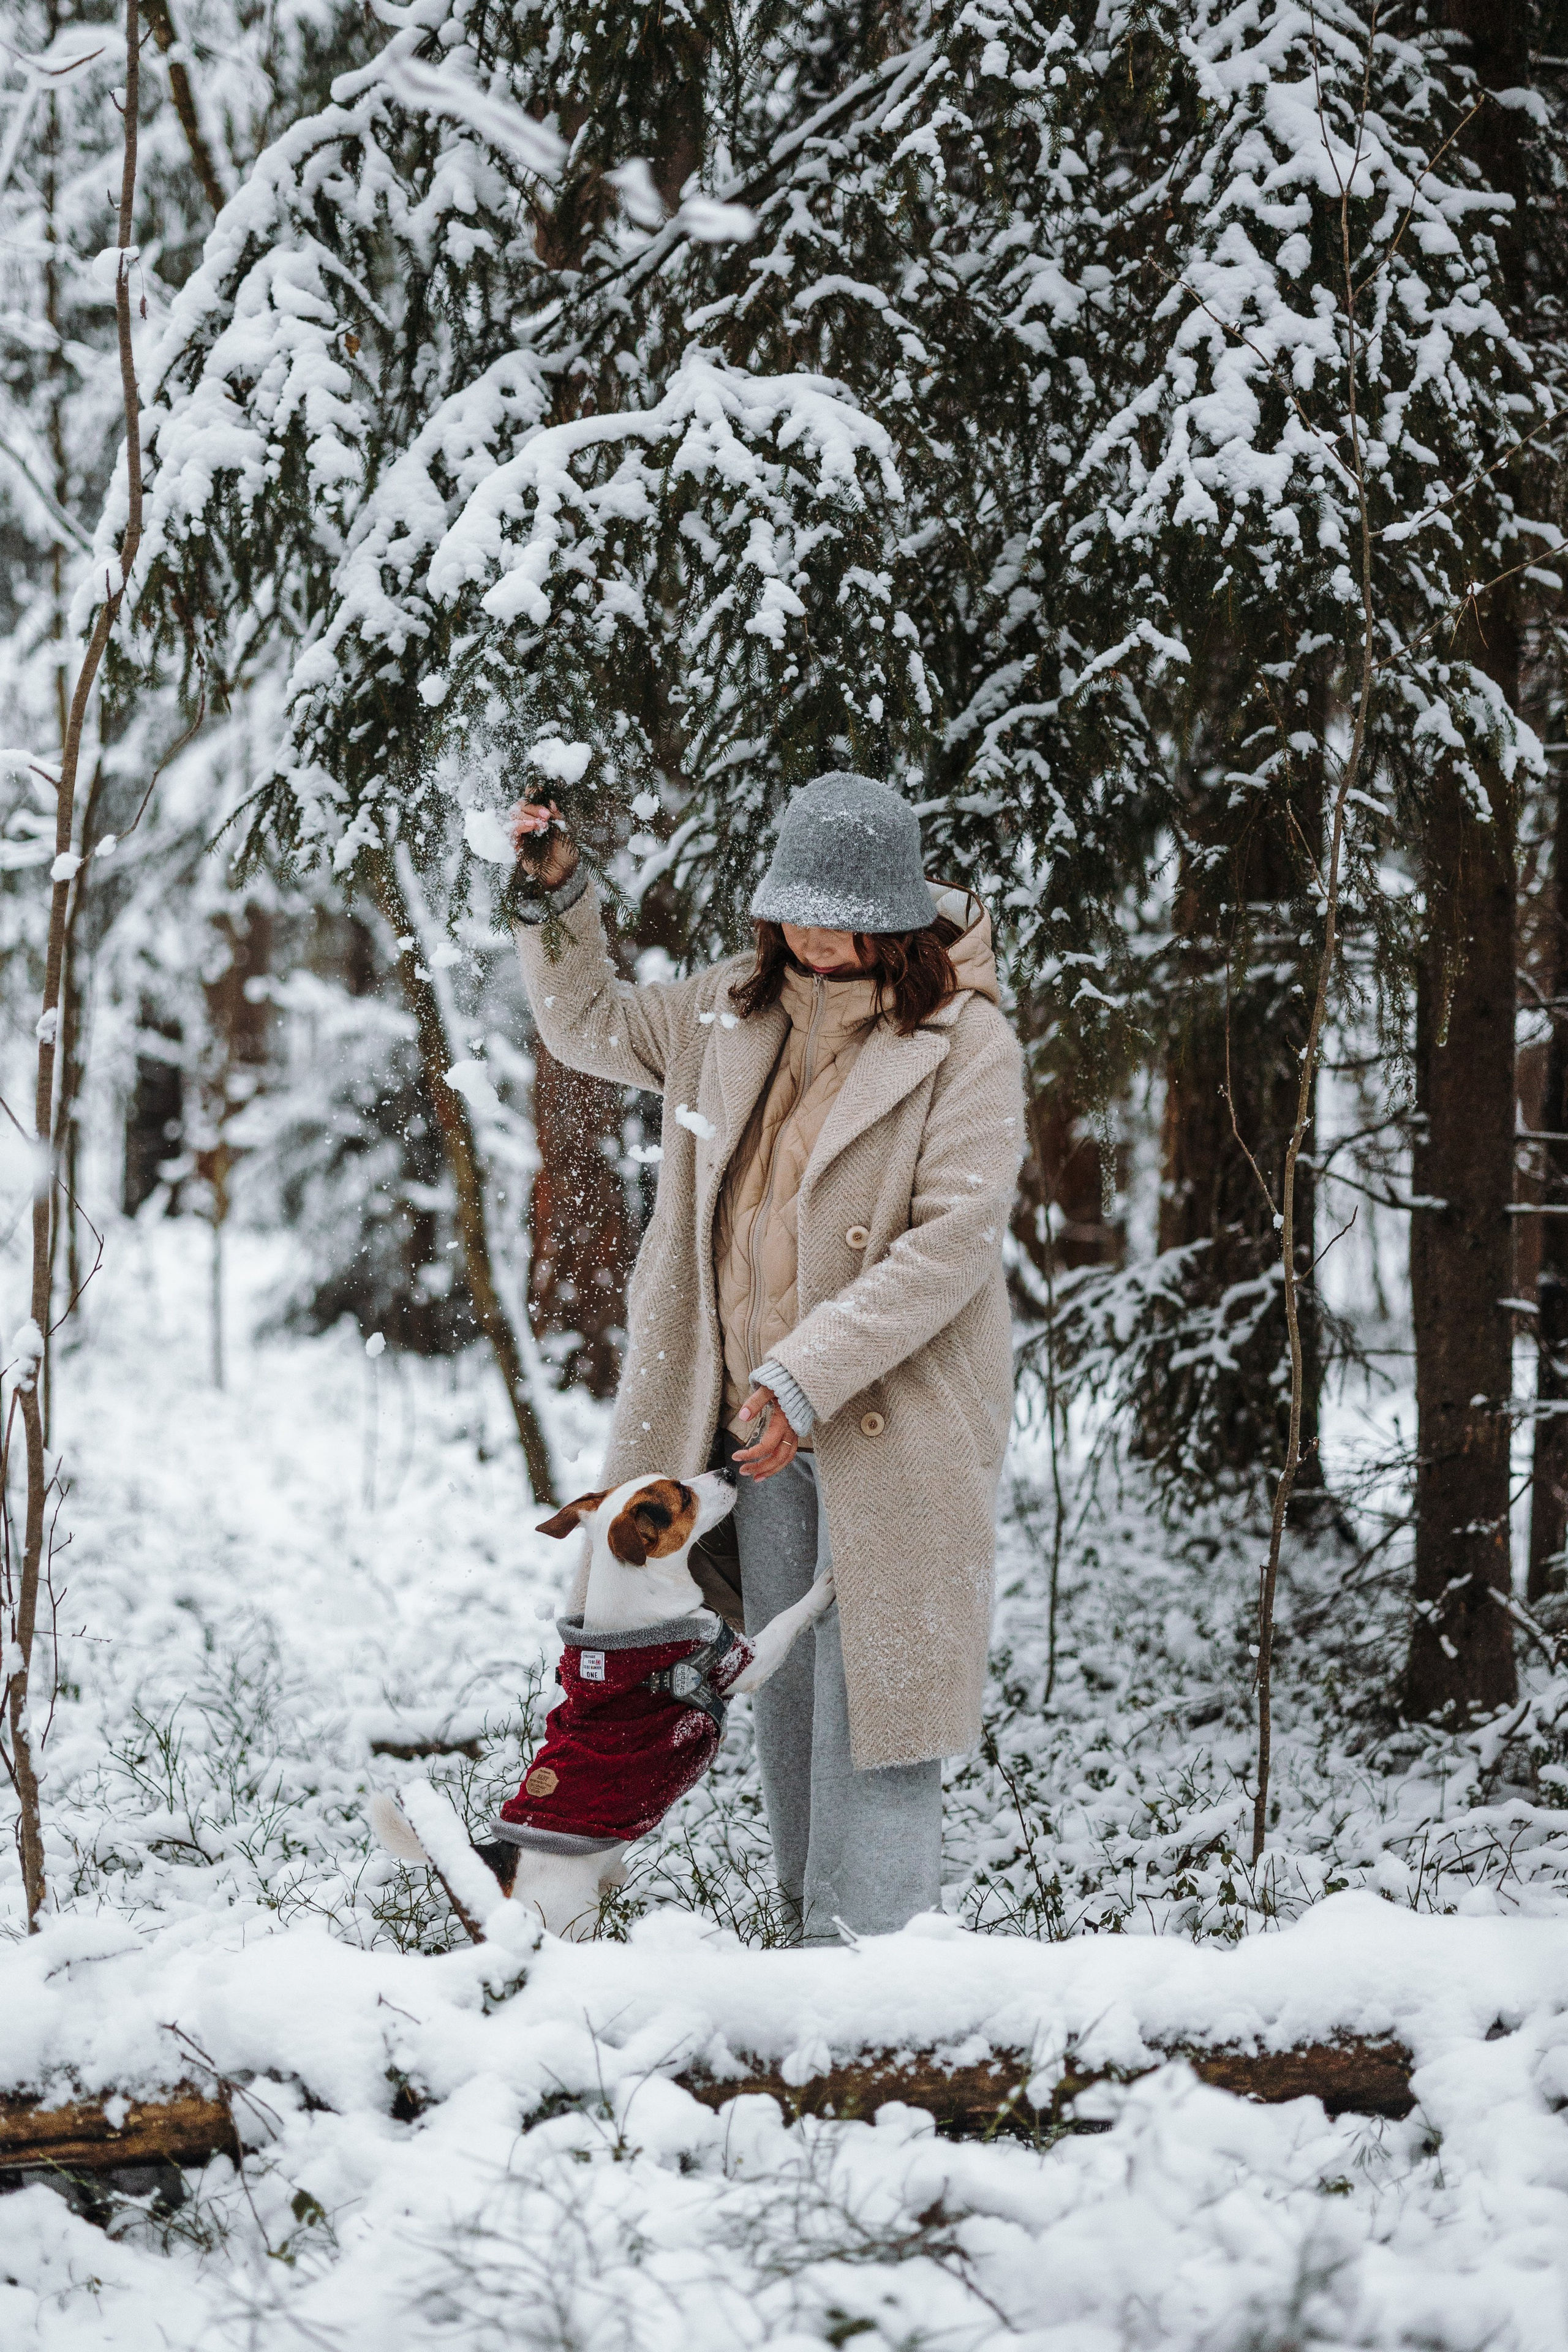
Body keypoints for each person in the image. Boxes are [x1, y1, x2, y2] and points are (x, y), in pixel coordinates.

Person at [506, 771, 1025, 1942]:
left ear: (893, 912)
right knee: (789, 1687)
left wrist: (807, 1371)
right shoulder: (726, 1015)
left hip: (891, 1418)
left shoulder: (966, 1042)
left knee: (878, 1695)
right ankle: (807, 1947)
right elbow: (585, 1023)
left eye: (837, 912)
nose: (810, 935)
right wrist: (557, 900)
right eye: (796, 906)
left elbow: (952, 1242)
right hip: (753, 1428)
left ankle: (883, 1966)